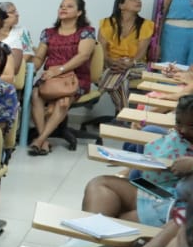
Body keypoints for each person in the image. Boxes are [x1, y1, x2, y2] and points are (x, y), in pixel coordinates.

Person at [81, 94, 193, 225]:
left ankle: (93, 234)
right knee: (100, 184)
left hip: (178, 204)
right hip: (162, 190)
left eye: (191, 126)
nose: (182, 130)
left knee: (118, 221)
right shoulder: (180, 136)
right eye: (178, 123)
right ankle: (89, 234)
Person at [28, 0, 97, 156]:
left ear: (79, 12)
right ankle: (44, 140)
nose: (63, 8)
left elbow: (83, 56)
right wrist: (32, 68)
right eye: (61, 6)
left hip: (76, 78)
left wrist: (59, 70)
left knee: (63, 101)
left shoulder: (86, 32)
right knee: (35, 93)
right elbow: (39, 57)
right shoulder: (48, 33)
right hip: (51, 78)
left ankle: (40, 139)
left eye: (69, 6)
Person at [98, 0, 155, 112]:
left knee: (119, 75)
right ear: (121, 5)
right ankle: (125, 115)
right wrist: (111, 62)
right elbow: (101, 51)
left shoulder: (146, 25)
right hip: (111, 64)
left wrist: (130, 63)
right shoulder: (107, 23)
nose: (138, 1)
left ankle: (118, 108)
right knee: (122, 80)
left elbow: (141, 52)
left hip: (137, 65)